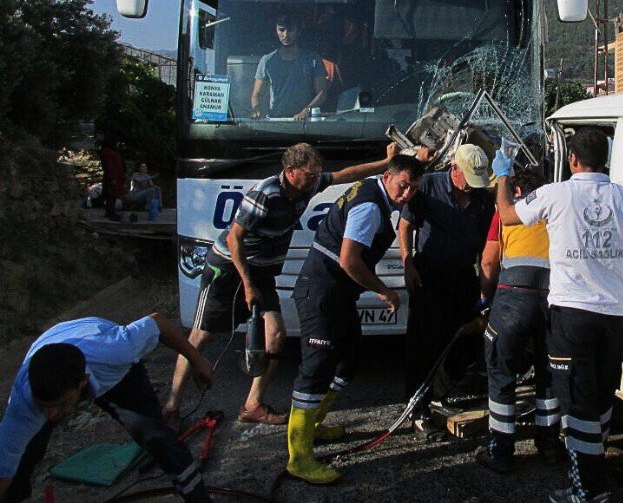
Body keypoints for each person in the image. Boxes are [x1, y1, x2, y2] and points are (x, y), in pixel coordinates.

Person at [163, 142, 428, 427]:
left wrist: (385, 162)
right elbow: (233, 239)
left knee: (276, 335)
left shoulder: (306, 186)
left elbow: (345, 174)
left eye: (317, 175)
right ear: (290, 171)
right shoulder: (266, 194)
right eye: (310, 175)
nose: (316, 180)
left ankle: (252, 404)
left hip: (262, 272)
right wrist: (248, 284)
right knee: (202, 337)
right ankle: (172, 406)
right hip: (229, 267)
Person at [493, 127, 623, 503]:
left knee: (577, 404)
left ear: (573, 160)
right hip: (613, 314)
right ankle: (593, 472)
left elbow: (506, 214)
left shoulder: (554, 194)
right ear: (605, 160)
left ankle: (589, 490)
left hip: (572, 314)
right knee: (601, 396)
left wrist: (502, 174)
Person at [286, 153, 426, 484]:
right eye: (403, 186)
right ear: (389, 178)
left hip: (338, 293)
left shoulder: (373, 187)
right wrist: (385, 291)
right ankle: (299, 456)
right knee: (316, 367)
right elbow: (350, 260)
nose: (406, 195)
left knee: (347, 359)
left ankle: (315, 425)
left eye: (414, 189)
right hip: (321, 290)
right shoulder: (369, 207)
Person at [0, 314, 215, 503]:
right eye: (44, 407)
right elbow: (3, 467)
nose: (51, 415)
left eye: (60, 405)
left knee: (156, 437)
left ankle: (198, 497)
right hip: (55, 346)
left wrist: (196, 359)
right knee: (23, 457)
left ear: (83, 382)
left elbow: (158, 322)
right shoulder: (24, 401)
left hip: (108, 362)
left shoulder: (117, 349)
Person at [398, 143, 495, 436]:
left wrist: (483, 277)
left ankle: (440, 392)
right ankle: (418, 406)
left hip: (463, 273)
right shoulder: (428, 186)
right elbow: (405, 226)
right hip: (429, 271)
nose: (470, 188)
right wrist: (407, 263)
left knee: (467, 337)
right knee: (424, 342)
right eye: (467, 180)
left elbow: (484, 242)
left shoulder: (480, 197)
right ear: (454, 170)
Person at [475, 168, 561, 474]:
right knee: (549, 373)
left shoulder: (508, 214)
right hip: (553, 299)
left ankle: (500, 451)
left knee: (501, 372)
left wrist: (485, 299)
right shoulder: (556, 212)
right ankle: (549, 445)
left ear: (519, 190)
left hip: (513, 298)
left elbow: (488, 261)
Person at [250, 13, 327, 120]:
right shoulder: (267, 61)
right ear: (276, 31)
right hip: (276, 121)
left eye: (290, 30)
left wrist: (307, 110)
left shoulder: (312, 59)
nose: (285, 35)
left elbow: (322, 92)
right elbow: (257, 94)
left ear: (298, 31)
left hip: (304, 122)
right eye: (281, 30)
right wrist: (256, 109)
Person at [100, 133, 125, 221]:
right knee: (111, 194)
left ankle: (111, 212)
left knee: (113, 195)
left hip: (115, 177)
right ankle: (110, 213)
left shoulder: (111, 151)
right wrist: (112, 178)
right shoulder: (108, 152)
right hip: (112, 177)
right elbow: (109, 166)